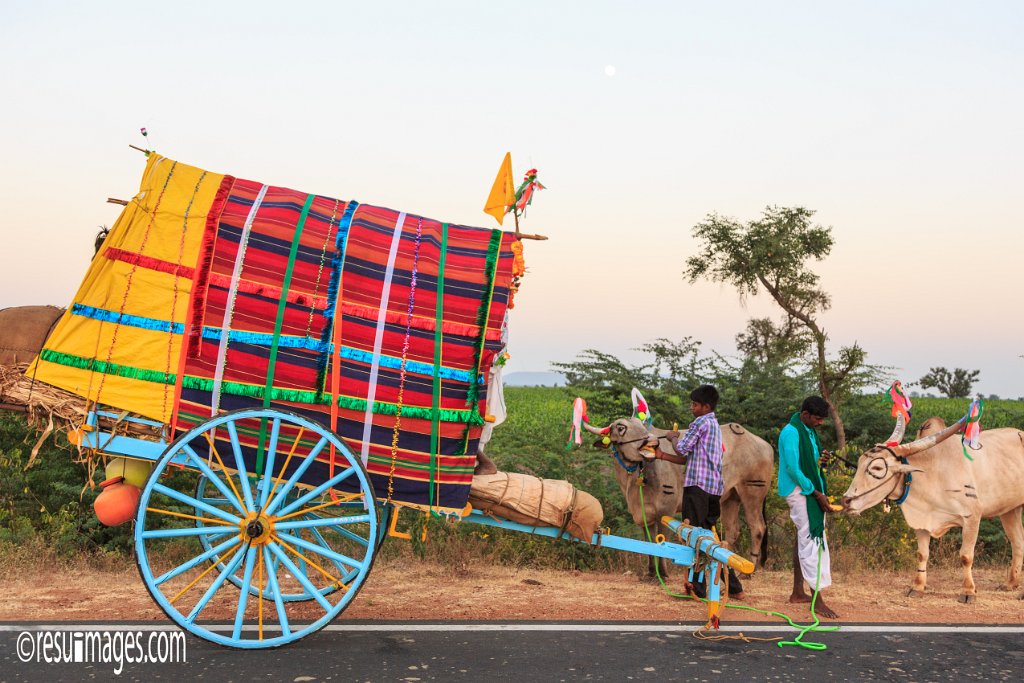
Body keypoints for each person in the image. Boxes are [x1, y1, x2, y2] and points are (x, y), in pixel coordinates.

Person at [669, 384, 744, 600]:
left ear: (706, 407)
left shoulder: (700, 423)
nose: (692, 408)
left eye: (695, 404)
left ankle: (700, 588)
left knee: (695, 537)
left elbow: (682, 449)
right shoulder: (714, 426)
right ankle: (734, 587)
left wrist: (672, 437)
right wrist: (661, 456)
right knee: (709, 539)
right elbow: (689, 457)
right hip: (712, 489)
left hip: (697, 487)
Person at [778, 395, 838, 619]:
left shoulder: (808, 431)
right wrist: (816, 493)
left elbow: (809, 463)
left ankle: (797, 592)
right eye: (817, 418)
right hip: (800, 490)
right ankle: (817, 600)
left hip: (809, 489)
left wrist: (820, 461)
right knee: (812, 541)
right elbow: (793, 469)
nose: (820, 423)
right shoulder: (791, 432)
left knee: (804, 540)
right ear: (805, 415)